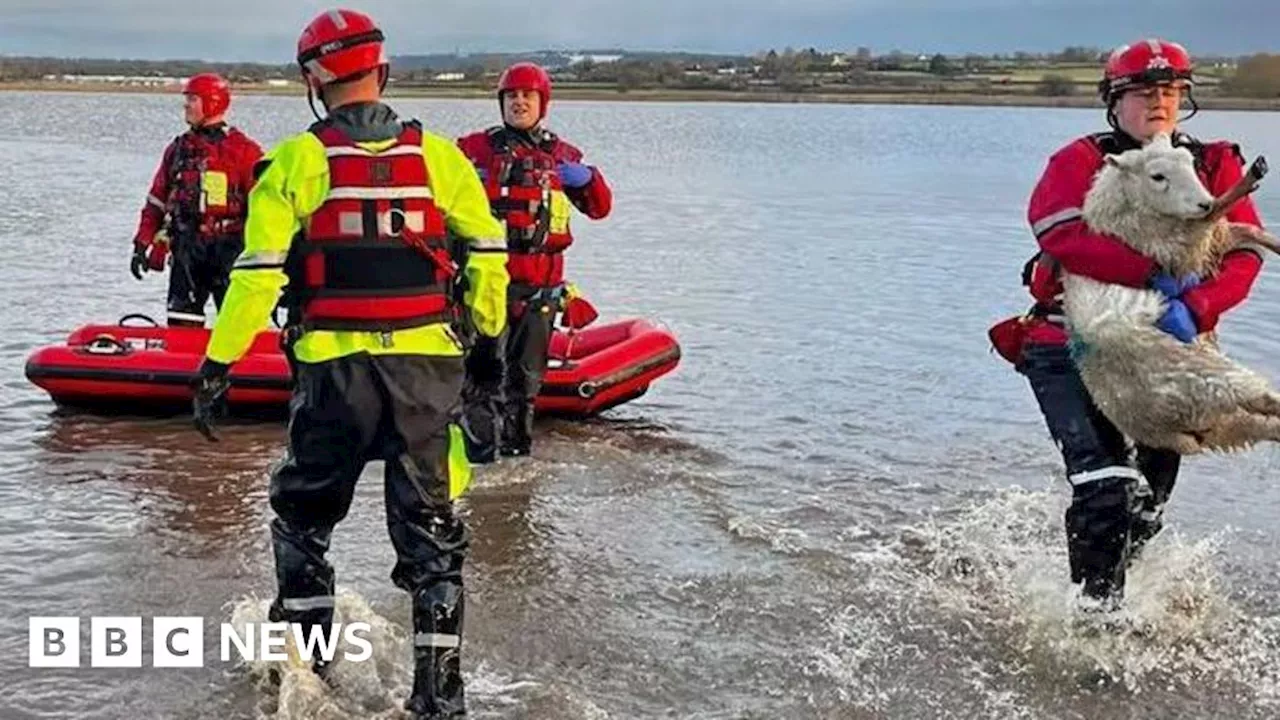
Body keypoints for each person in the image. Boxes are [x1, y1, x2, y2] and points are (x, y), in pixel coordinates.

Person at [188, 9, 509, 718]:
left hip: (333, 377)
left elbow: (259, 275)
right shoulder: (442, 159)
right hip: (427, 375)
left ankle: (308, 682)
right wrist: (487, 347)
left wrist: (217, 363)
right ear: (382, 72)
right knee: (434, 539)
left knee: (303, 521)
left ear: (313, 80)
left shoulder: (295, 163)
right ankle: (439, 698)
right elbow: (488, 255)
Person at [1001, 38, 1266, 605]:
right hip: (1068, 343)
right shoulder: (1079, 162)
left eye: (1171, 90)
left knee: (1147, 502)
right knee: (1106, 488)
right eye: (1144, 91)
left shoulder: (1215, 164)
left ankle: (1119, 589)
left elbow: (1243, 251)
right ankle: (1095, 624)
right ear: (1113, 101)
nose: (1159, 101)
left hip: (1167, 350)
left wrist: (1197, 307)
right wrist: (1151, 274)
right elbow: (1059, 234)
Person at [456, 62, 612, 462]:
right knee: (481, 381)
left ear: (543, 102)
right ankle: (481, 462)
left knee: (524, 385)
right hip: (484, 286)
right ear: (501, 102)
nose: (519, 102)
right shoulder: (473, 149)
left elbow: (600, 209)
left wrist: (588, 179)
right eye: (511, 96)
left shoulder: (564, 157)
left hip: (539, 291)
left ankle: (516, 456)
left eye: (528, 96)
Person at [130, 72, 263, 327]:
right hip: (187, 250)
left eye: (192, 99)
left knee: (238, 324)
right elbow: (156, 202)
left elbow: (265, 208)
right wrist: (142, 243)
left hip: (231, 250)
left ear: (212, 102)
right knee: (182, 321)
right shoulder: (178, 149)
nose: (186, 105)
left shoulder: (244, 151)